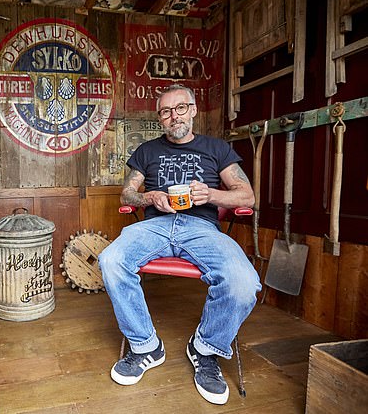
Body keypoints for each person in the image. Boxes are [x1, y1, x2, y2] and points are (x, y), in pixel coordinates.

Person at [98, 84, 261, 405]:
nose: (174, 116)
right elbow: (126, 194)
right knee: (111, 259)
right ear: (160, 117)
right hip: (155, 225)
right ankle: (145, 346)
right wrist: (148, 196)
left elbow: (247, 196)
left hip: (202, 228)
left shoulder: (217, 149)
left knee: (244, 282)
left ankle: (205, 348)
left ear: (194, 110)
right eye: (166, 111)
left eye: (180, 108)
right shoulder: (146, 151)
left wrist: (211, 195)